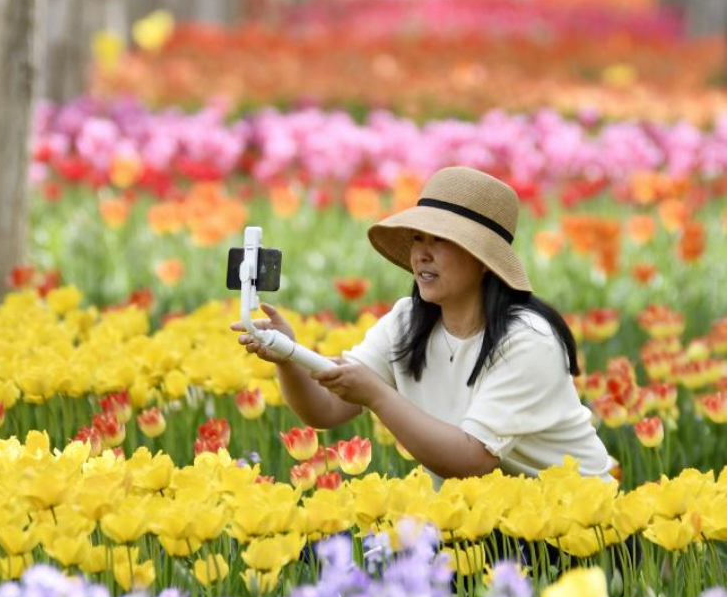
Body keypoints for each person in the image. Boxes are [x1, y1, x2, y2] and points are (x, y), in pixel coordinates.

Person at [233, 166, 614, 483]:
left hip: (575, 531)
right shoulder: (407, 321)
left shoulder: (528, 341)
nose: (422, 254)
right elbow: (327, 410)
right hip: (481, 521)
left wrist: (379, 396)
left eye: (441, 240)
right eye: (417, 238)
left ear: (484, 259)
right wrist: (287, 356)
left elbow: (472, 459)